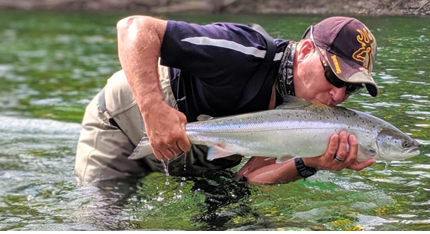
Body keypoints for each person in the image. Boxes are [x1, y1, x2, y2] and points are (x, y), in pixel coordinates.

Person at [75, 16, 379, 185]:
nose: (338, 95)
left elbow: (249, 179)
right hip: (122, 124)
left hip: (197, 156)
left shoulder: (305, 121)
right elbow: (133, 28)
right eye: (334, 76)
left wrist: (309, 163)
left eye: (350, 88)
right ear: (305, 50)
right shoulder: (242, 51)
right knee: (103, 221)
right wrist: (153, 108)